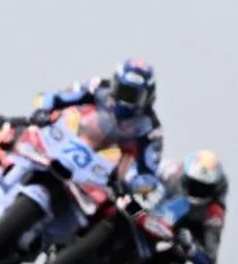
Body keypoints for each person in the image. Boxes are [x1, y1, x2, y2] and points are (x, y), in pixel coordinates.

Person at [31, 58, 163, 183]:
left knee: (124, 204)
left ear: (149, 96)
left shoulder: (151, 128)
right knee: (20, 133)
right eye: (122, 91)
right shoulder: (97, 87)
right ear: (114, 83)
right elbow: (55, 97)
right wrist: (43, 111)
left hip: (101, 172)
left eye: (133, 96)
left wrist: (135, 183)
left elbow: (147, 172)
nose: (125, 100)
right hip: (66, 141)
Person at [158, 151, 228, 264]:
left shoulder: (214, 211)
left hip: (175, 234)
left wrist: (190, 247)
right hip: (151, 215)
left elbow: (209, 260)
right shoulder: (169, 171)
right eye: (194, 185)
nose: (198, 190)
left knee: (176, 258)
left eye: (204, 187)